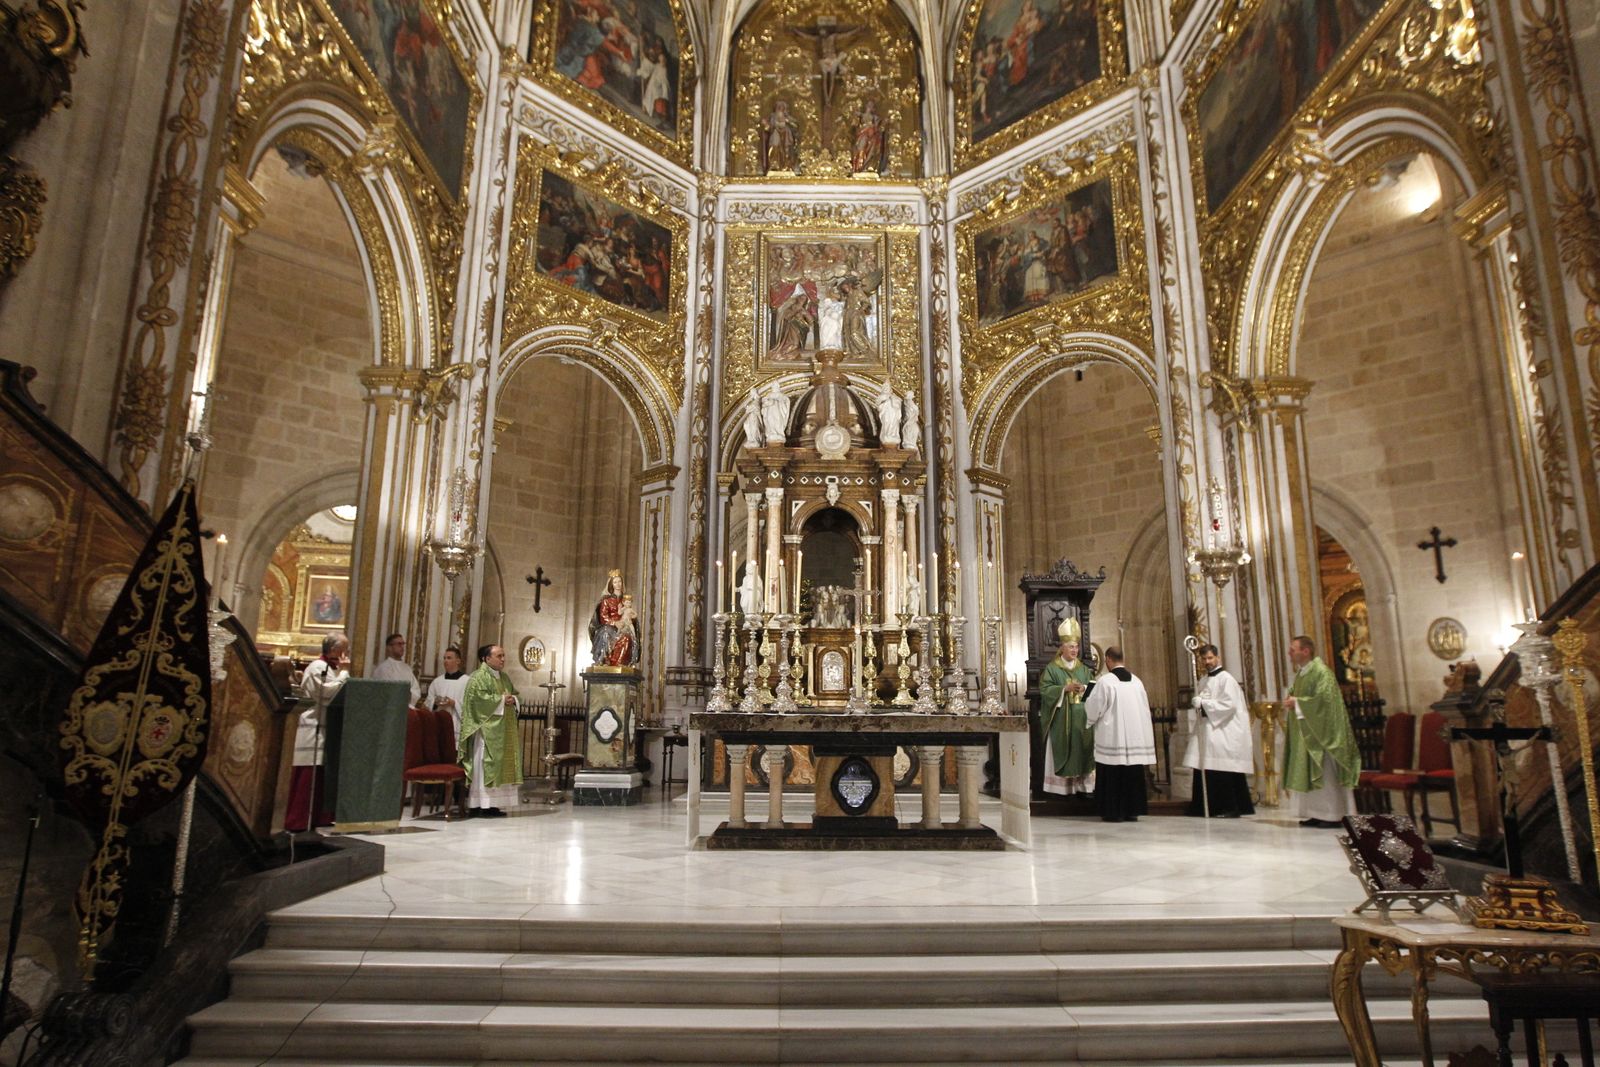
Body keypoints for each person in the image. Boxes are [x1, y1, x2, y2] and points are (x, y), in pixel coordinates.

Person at [1283, 634, 1360, 828]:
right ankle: (1315, 813)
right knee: (1310, 772)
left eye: (1293, 649)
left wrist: (1297, 703)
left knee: (1325, 774)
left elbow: (1325, 701)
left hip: (1322, 734)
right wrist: (1292, 700)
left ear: (1306, 651)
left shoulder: (1322, 672)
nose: (1289, 653)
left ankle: (1332, 814)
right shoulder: (1302, 674)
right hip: (1308, 732)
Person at [1083, 646, 1157, 822]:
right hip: (1134, 737)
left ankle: (1114, 812)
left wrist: (1089, 714)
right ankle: (1133, 810)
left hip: (1113, 738)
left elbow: (1094, 708)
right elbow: (1145, 709)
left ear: (1108, 659)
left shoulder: (1105, 682)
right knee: (1132, 773)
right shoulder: (1137, 682)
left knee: (1112, 773)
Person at [1181, 643, 1256, 818]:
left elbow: (1229, 705)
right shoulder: (1203, 680)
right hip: (1208, 730)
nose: (1207, 662)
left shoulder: (1226, 679)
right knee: (1205, 767)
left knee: (1222, 769)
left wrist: (1204, 703)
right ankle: (1203, 807)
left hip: (1223, 731)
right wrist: (1198, 703)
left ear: (1218, 658)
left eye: (1210, 658)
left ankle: (1229, 807)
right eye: (1204, 659)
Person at [287, 632, 349, 832]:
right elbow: (325, 694)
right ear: (334, 650)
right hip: (313, 725)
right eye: (344, 649)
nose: (346, 653)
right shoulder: (317, 667)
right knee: (309, 774)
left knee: (322, 772)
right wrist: (344, 675)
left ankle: (321, 816)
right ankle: (299, 819)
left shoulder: (333, 668)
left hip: (328, 726)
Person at [458, 644, 521, 817]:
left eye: (503, 655)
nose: (503, 659)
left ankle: (493, 805)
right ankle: (479, 805)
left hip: (503, 731)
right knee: (484, 766)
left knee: (500, 766)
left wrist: (513, 699)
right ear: (486, 658)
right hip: (486, 733)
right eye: (499, 656)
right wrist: (501, 700)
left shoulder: (505, 678)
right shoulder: (478, 677)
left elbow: (516, 694)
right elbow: (478, 701)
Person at [1037, 621, 1095, 797]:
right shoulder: (1052, 669)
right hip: (1062, 722)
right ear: (1062, 647)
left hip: (1082, 721)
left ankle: (1082, 788)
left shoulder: (1084, 669)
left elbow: (1093, 689)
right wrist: (1064, 689)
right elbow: (1045, 690)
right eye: (1071, 647)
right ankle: (1062, 789)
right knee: (1065, 751)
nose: (1075, 650)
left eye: (1076, 647)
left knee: (1083, 753)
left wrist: (1084, 688)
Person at [589, 569, 639, 667]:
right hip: (609, 626)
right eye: (615, 582)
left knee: (627, 637)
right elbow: (603, 617)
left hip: (623, 626)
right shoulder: (606, 600)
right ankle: (604, 660)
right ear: (611, 585)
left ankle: (619, 662)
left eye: (619, 581)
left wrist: (630, 619)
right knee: (605, 633)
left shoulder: (626, 600)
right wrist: (615, 623)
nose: (618, 584)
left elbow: (631, 614)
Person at [424, 646, 470, 734]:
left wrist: (454, 703)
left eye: (449, 658)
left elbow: (471, 705)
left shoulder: (467, 681)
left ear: (458, 661)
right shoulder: (437, 681)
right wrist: (435, 702)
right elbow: (428, 702)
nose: (445, 661)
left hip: (457, 726)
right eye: (444, 658)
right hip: (438, 725)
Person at [372, 632, 422, 706]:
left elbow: (416, 689)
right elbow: (385, 692)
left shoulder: (407, 668)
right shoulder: (383, 669)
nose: (402, 647)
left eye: (403, 644)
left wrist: (410, 695)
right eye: (399, 644)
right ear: (389, 647)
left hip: (407, 707)